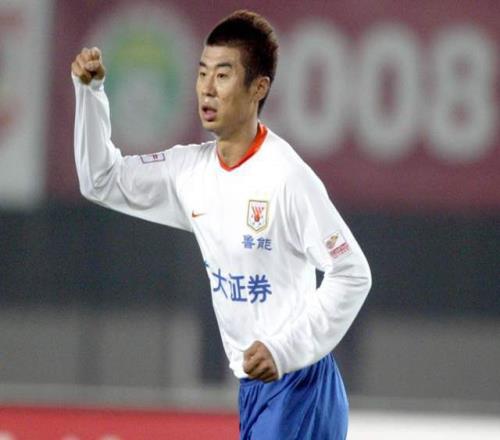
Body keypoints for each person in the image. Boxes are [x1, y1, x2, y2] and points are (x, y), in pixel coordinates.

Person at [71, 9, 371, 440]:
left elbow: (352, 272)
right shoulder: (190, 172)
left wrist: (284, 349)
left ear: (258, 87)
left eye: (223, 75)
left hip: (300, 387)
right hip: (257, 389)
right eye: (202, 73)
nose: (207, 88)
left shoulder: (286, 177)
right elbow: (101, 180)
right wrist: (90, 92)